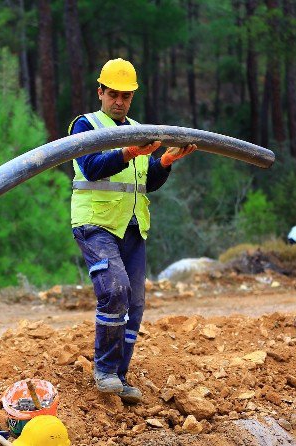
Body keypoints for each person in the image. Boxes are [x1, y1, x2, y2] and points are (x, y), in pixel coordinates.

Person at [69, 58, 196, 404]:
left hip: (131, 226)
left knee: (135, 304)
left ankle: (118, 378)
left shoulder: (140, 130)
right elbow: (93, 167)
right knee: (115, 289)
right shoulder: (85, 126)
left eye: (126, 95)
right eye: (113, 94)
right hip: (95, 224)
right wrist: (128, 151)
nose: (119, 101)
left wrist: (165, 162)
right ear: (100, 92)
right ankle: (105, 371)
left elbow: (145, 182)